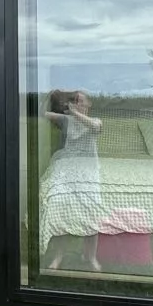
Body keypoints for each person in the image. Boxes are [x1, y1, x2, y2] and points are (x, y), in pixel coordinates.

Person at [43, 88, 103, 270]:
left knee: (92, 211)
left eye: (80, 100)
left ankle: (90, 256)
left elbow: (95, 127)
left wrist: (74, 113)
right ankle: (59, 257)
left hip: (88, 173)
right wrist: (51, 92)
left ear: (88, 104)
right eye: (74, 100)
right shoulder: (66, 120)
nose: (77, 103)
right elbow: (43, 113)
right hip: (67, 171)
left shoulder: (95, 121)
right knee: (59, 207)